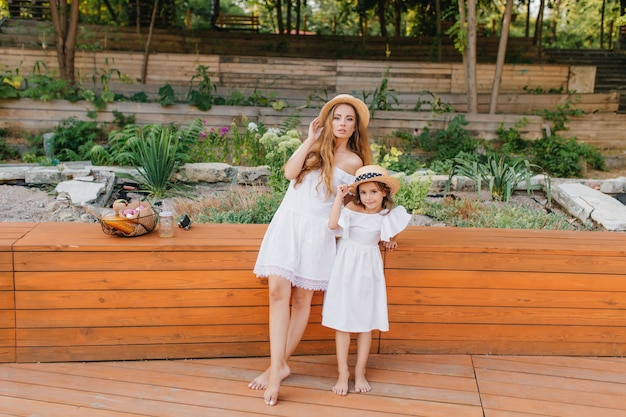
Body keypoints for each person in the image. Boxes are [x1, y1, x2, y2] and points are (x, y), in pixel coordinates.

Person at [251, 94, 372, 406]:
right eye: (338, 117)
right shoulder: (313, 147)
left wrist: (381, 230)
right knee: (278, 293)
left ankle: (276, 369)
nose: (343, 124)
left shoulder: (354, 162)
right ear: (328, 120)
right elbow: (290, 173)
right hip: (288, 223)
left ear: (356, 127)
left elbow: (354, 203)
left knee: (302, 299)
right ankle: (278, 367)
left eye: (349, 119)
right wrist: (309, 139)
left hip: (316, 232)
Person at [322, 165, 412, 396]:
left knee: (365, 320)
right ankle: (343, 373)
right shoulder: (352, 207)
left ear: (384, 192)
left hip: (369, 268)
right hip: (345, 266)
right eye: (363, 192)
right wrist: (339, 199)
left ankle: (360, 370)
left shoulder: (387, 215)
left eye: (373, 192)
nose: (368, 197)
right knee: (343, 321)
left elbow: (393, 229)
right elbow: (333, 226)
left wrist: (389, 239)